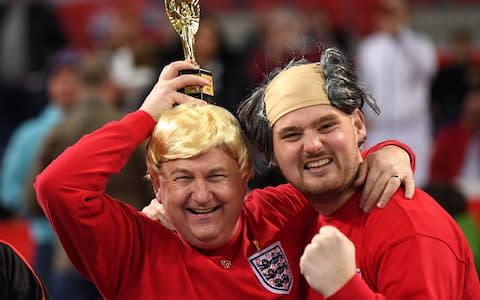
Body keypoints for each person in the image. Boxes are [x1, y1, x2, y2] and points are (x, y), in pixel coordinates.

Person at [35, 60, 415, 299]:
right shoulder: (132, 248)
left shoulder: (279, 212)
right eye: (183, 178)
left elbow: (329, 172)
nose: (202, 195)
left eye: (217, 176)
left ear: (246, 176)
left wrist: (388, 152)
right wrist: (146, 116)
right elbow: (57, 184)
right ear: (157, 184)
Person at [237, 47, 480, 299]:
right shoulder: (301, 212)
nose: (312, 145)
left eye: (327, 125)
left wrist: (344, 288)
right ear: (272, 154)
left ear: (359, 125)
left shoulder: (410, 228)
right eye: (292, 135)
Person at [355, 0, 437, 187]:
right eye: (387, 12)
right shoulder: (370, 48)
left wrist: (401, 35)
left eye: (396, 12)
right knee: (376, 181)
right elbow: (363, 86)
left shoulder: (420, 45)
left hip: (412, 125)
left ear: (407, 15)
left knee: (417, 183)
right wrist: (364, 114)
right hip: (379, 126)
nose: (391, 17)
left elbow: (427, 69)